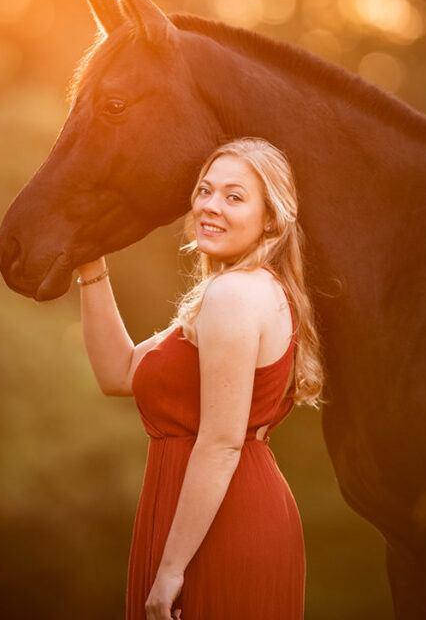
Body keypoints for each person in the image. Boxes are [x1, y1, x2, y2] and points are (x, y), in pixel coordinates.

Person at [76, 138, 323, 620]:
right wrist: (91, 262)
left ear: (271, 218)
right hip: (197, 516)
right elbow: (119, 371)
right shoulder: (244, 287)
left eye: (234, 196)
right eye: (206, 190)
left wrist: (171, 569)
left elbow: (222, 442)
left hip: (220, 525)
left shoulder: (234, 294)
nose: (211, 205)